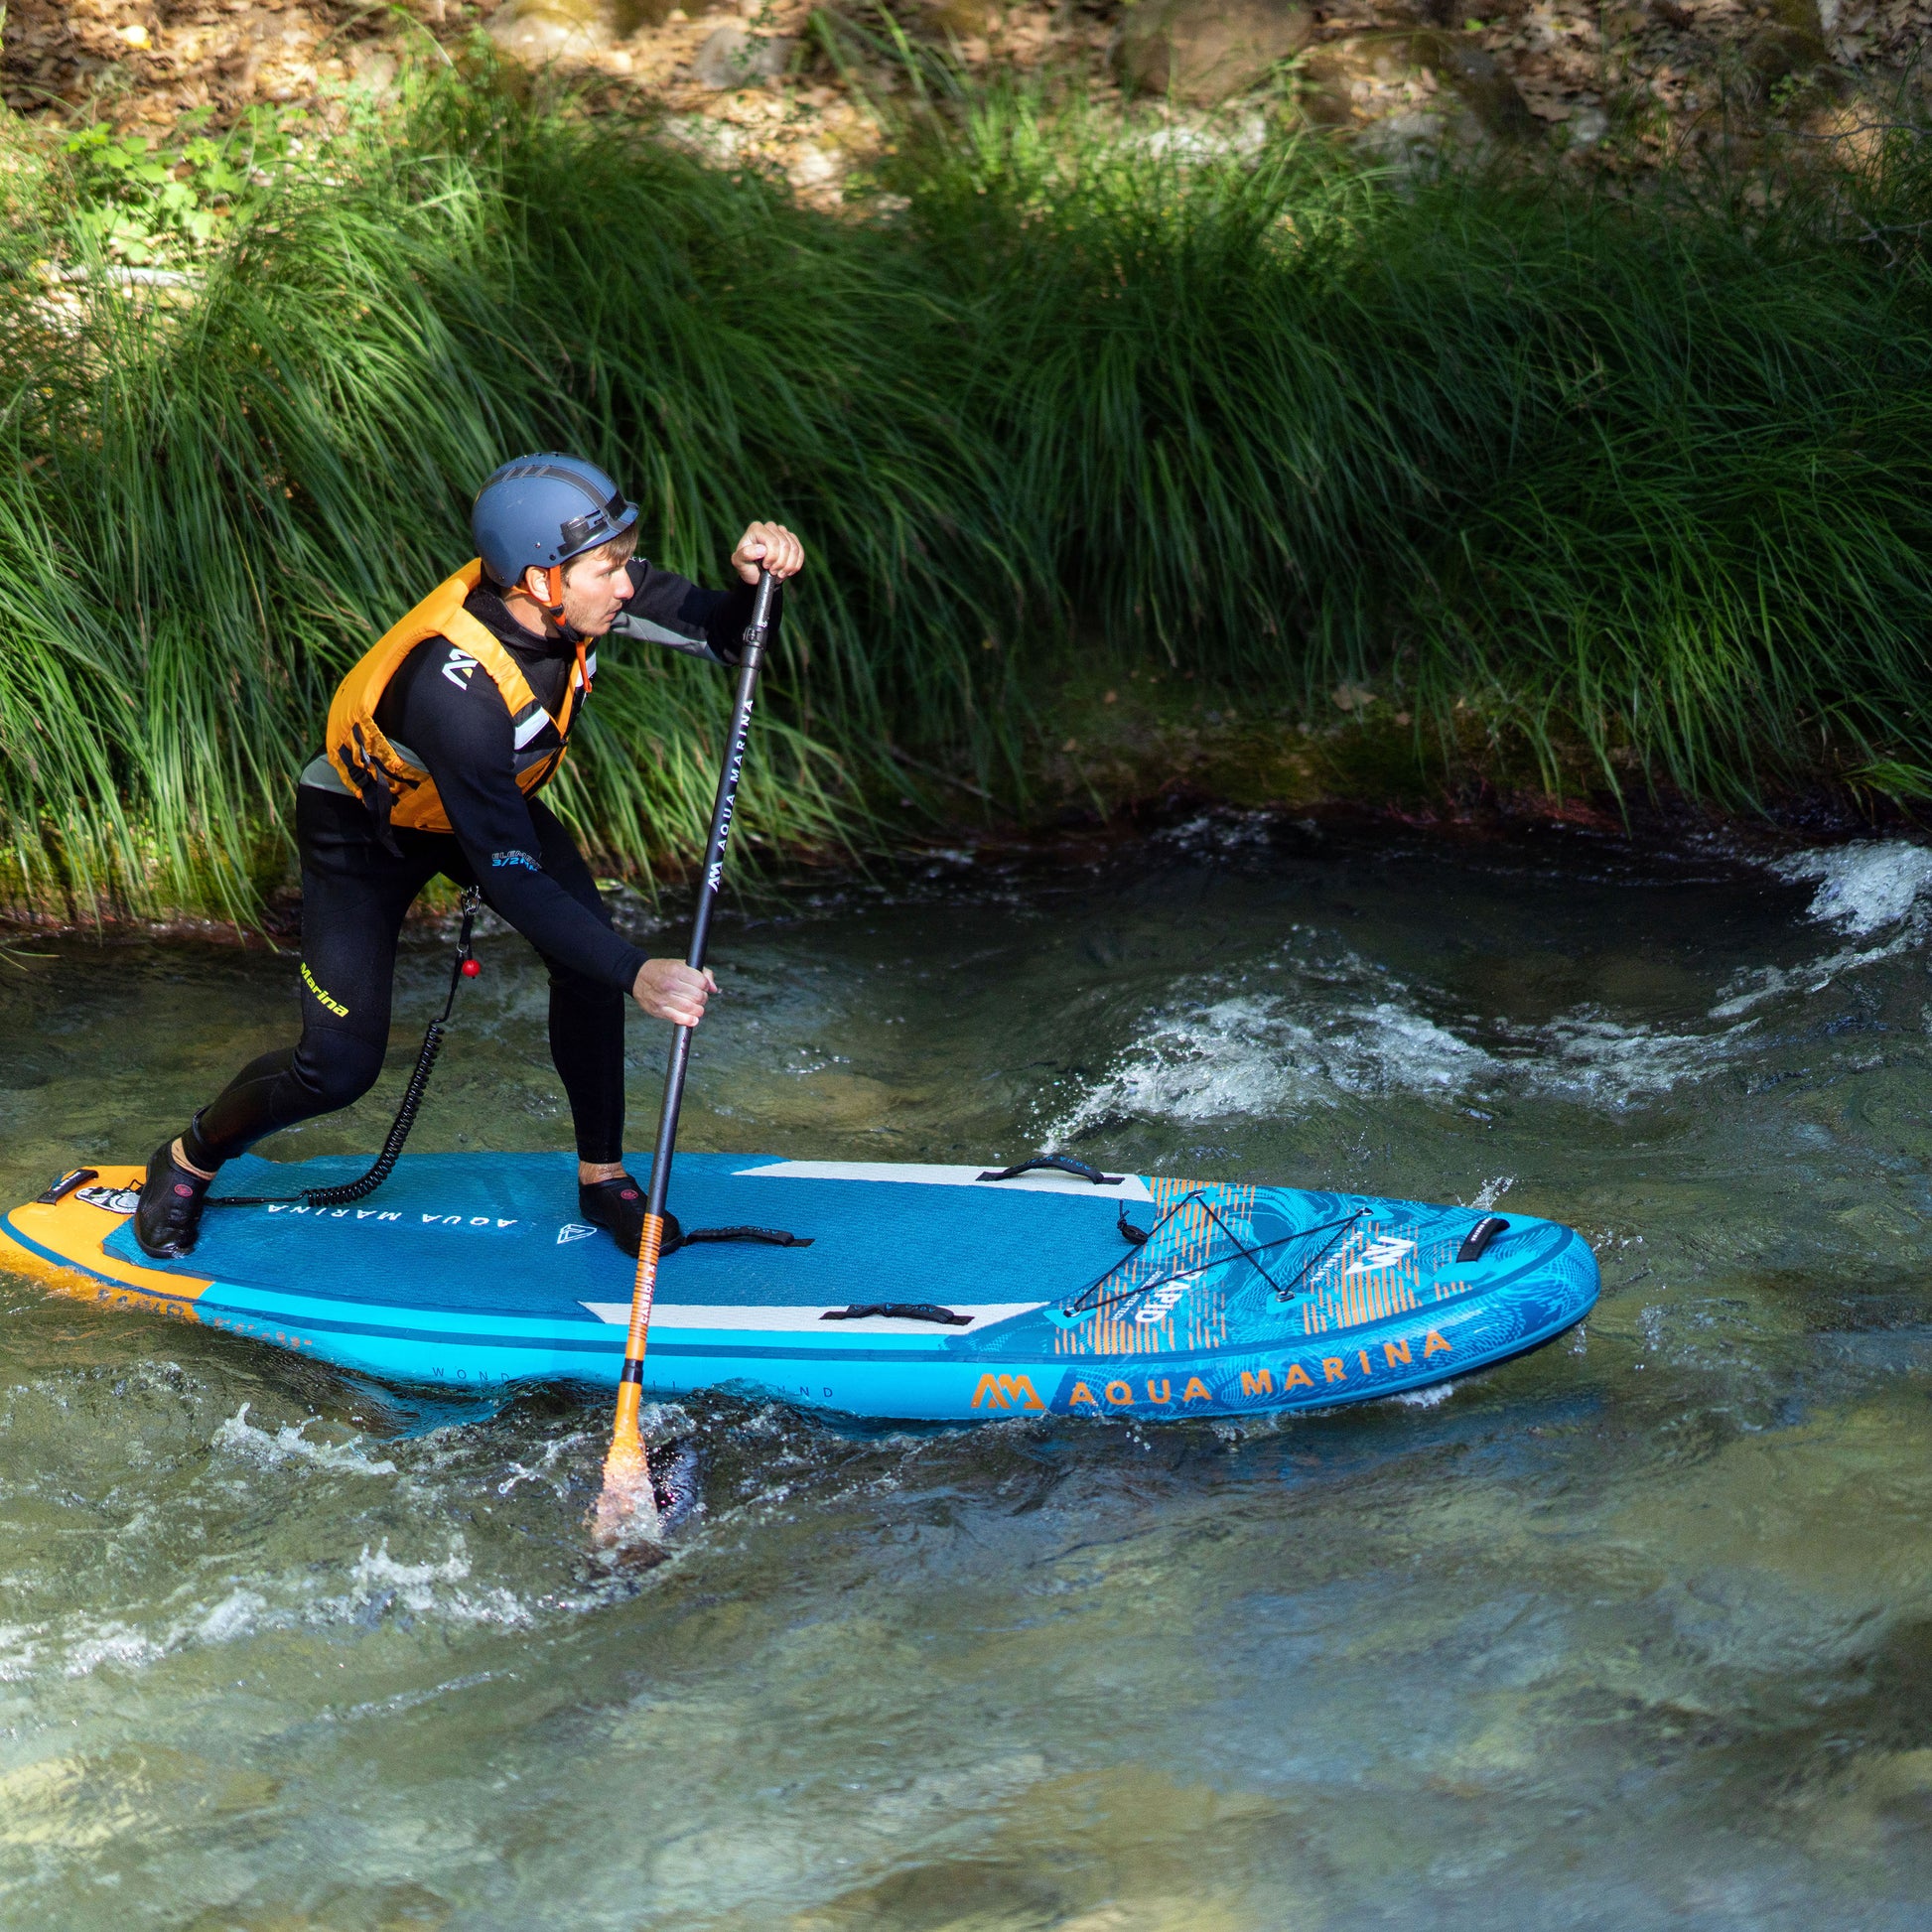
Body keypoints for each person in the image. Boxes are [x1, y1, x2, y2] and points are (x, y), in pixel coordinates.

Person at [132, 453, 804, 1261]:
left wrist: (753, 585)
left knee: (587, 966)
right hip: (365, 829)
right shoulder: (453, 689)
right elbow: (512, 877)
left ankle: (602, 1177)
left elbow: (727, 637)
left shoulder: (579, 591)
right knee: (337, 1067)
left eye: (625, 563)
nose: (627, 586)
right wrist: (640, 972)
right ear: (540, 581)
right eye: (609, 570)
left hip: (482, 809)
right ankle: (189, 1158)